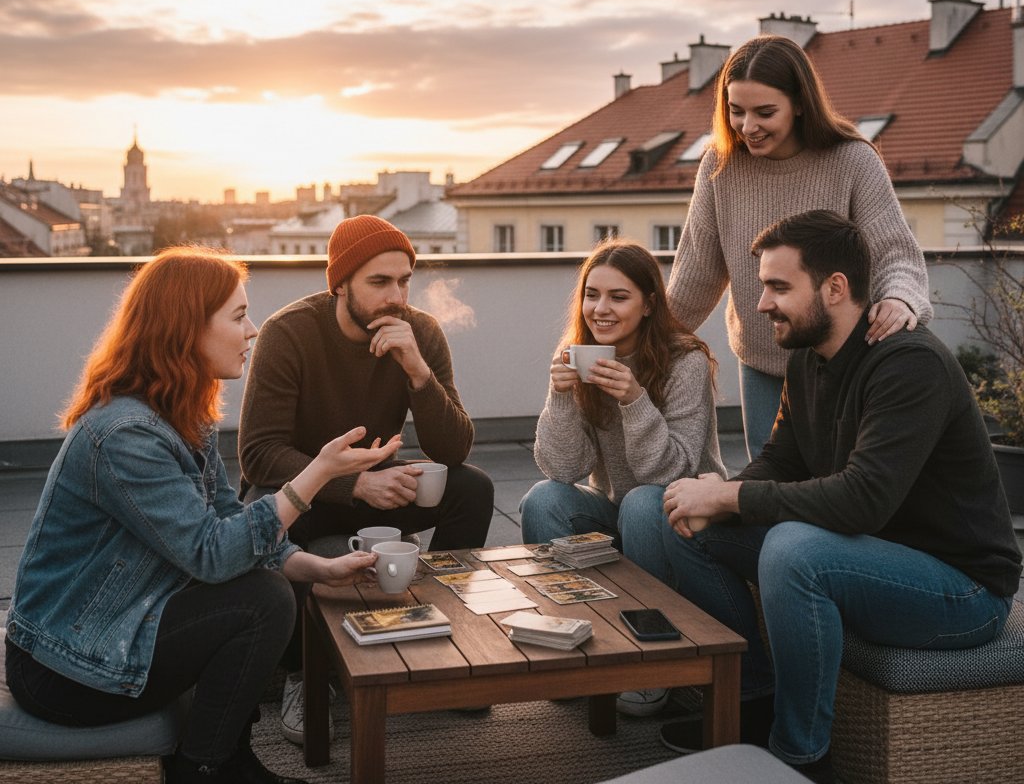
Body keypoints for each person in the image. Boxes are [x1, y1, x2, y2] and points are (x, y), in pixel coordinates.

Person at [4, 247, 402, 784]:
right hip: (66, 667)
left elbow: (226, 521)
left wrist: (317, 567)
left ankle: (225, 756)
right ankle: (209, 767)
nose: (253, 330)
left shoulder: (180, 415)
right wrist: (319, 473)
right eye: (239, 316)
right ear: (186, 328)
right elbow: (213, 556)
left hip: (118, 623)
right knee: (260, 599)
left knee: (264, 580)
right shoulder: (125, 435)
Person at [654, 210, 1021, 783]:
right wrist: (715, 495)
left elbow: (861, 501)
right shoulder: (807, 357)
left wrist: (731, 499)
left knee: (794, 551)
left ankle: (799, 759)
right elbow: (784, 459)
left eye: (779, 287)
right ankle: (751, 699)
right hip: (869, 554)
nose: (761, 304)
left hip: (961, 589)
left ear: (835, 287)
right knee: (682, 521)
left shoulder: (909, 365)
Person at [237, 214, 493, 741]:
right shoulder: (290, 333)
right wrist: (351, 484)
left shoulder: (418, 332)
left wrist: (418, 372)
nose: (395, 295)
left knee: (473, 487)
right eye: (379, 282)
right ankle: (303, 675)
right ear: (341, 283)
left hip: (376, 485)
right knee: (267, 514)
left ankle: (441, 641)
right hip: (306, 493)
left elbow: (455, 447)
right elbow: (259, 454)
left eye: (403, 281)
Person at [667, 34, 933, 459]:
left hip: (844, 361)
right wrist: (637, 343)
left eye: (764, 112)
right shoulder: (719, 166)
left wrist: (901, 299)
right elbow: (695, 276)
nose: (748, 126)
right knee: (772, 483)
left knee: (842, 486)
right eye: (736, 111)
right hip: (763, 364)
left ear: (801, 103)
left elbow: (894, 254)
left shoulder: (851, 160)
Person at [520, 239, 726, 718]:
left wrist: (635, 401)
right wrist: (561, 397)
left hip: (682, 514)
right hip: (616, 506)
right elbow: (562, 469)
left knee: (642, 501)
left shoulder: (685, 362)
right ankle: (573, 645)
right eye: (592, 295)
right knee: (541, 500)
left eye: (618, 296)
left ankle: (648, 658)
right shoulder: (581, 354)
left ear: (649, 303)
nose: (600, 308)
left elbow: (672, 472)